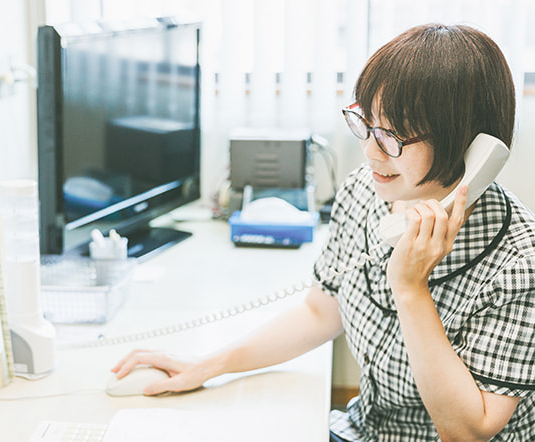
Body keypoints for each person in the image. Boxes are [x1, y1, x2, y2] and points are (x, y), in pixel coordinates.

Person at [111, 23, 535, 441]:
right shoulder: (363, 192)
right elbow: (321, 311)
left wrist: (411, 289)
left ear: (467, 145)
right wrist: (208, 365)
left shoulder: (519, 263)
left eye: (391, 136)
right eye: (366, 124)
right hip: (364, 431)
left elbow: (466, 432)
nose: (370, 151)